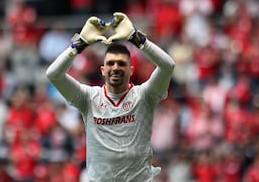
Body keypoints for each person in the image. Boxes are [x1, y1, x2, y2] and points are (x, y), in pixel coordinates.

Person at [46, 12, 175, 181]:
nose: (115, 68)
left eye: (122, 64)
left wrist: (136, 39)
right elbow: (53, 74)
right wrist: (79, 44)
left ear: (131, 70)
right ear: (103, 70)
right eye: (110, 63)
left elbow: (168, 66)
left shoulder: (144, 95)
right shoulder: (89, 98)